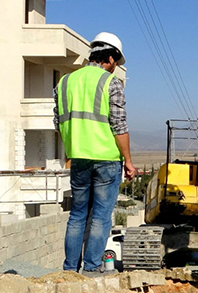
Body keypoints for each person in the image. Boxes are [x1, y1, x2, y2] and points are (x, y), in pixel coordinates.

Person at [54, 32, 138, 275]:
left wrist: (74, 148)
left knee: (77, 214)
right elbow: (119, 126)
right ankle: (91, 268)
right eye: (116, 63)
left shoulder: (64, 83)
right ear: (110, 58)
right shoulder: (110, 83)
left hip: (78, 158)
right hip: (106, 159)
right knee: (101, 215)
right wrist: (129, 162)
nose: (115, 68)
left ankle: (70, 269)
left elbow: (58, 123)